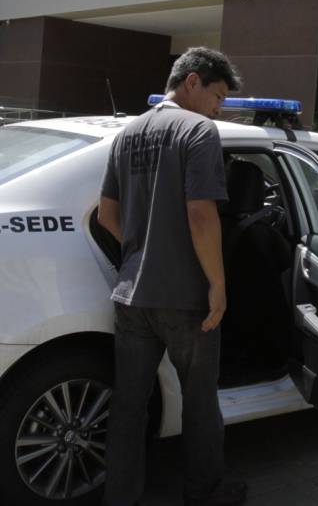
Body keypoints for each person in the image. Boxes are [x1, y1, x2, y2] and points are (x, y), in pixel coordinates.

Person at [98, 47, 246, 506]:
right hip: (186, 298)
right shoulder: (199, 131)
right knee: (199, 403)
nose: (217, 109)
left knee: (129, 406)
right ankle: (205, 493)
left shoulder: (127, 133)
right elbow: (201, 214)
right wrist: (218, 284)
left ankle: (119, 498)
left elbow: (106, 215)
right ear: (193, 81)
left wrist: (141, 249)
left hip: (131, 296)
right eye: (217, 97)